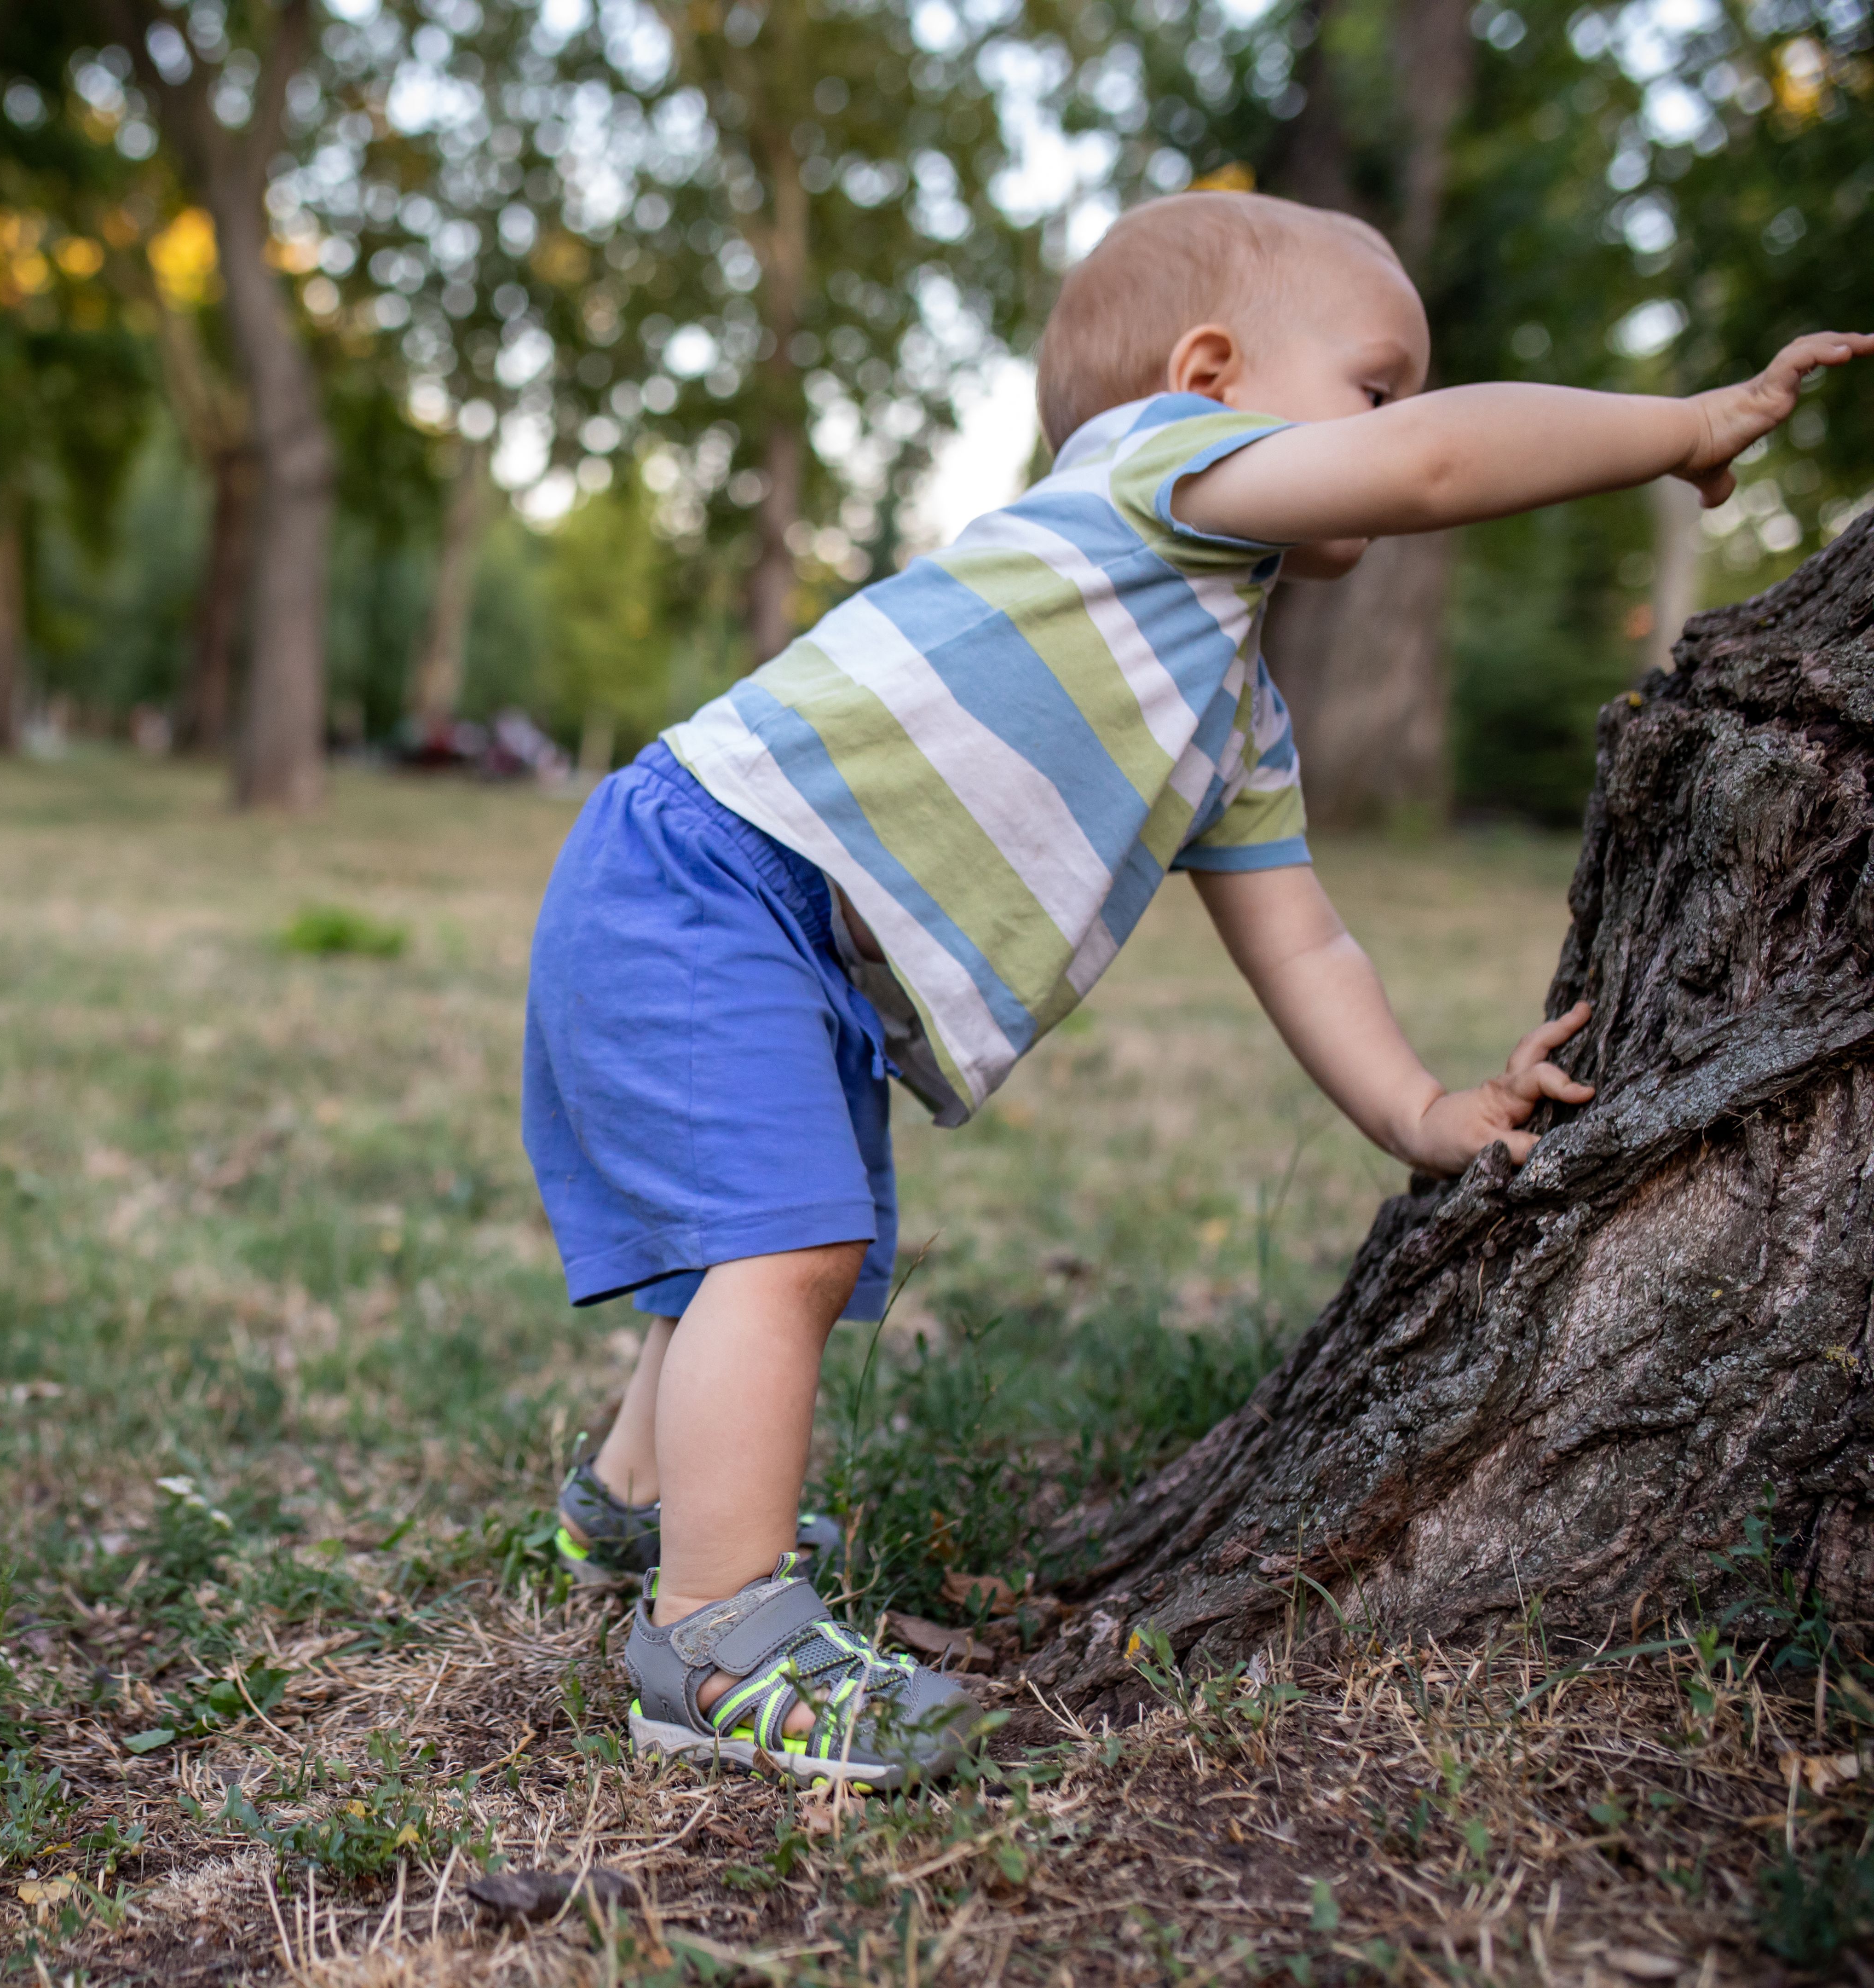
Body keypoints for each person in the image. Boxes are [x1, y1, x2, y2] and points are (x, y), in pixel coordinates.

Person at [522, 189, 1872, 1788]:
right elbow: (1438, 468)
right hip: (720, 876)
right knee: (784, 1244)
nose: (1401, 424)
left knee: (749, 1237)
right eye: (1378, 384)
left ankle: (635, 1504)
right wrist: (1680, 424)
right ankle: (718, 1638)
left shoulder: (1230, 706)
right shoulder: (1155, 470)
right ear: (1211, 370)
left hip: (789, 926)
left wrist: (1421, 1109)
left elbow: (1302, 941)